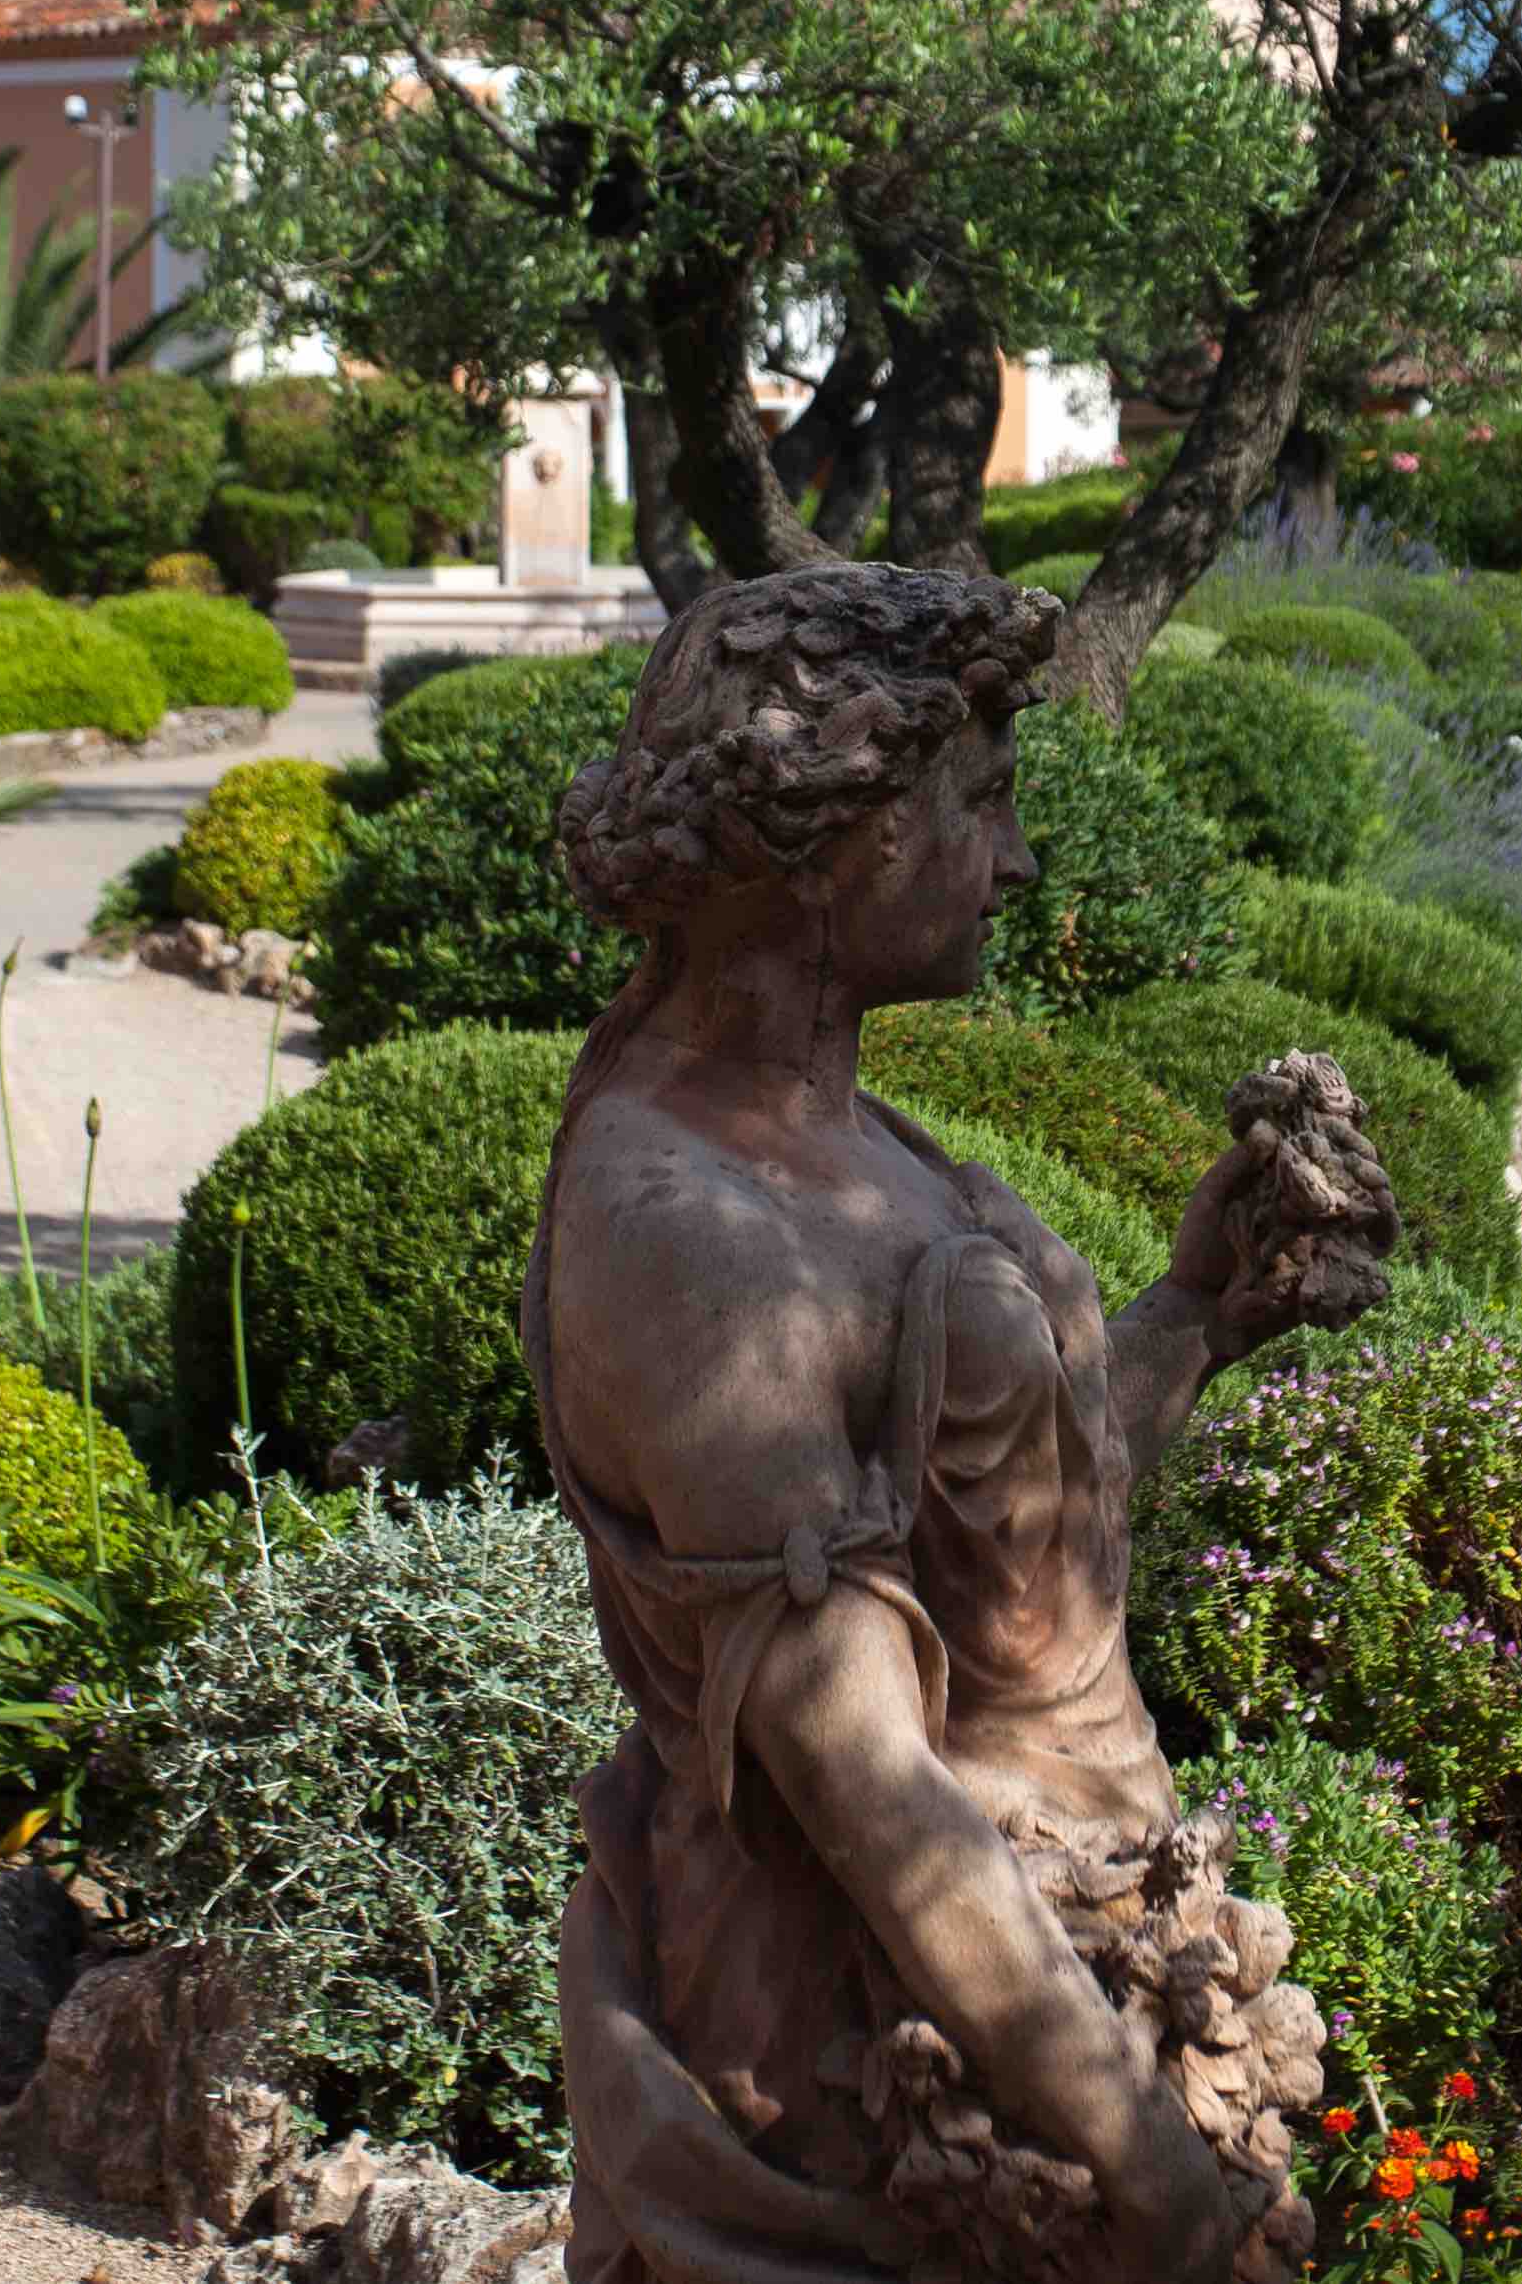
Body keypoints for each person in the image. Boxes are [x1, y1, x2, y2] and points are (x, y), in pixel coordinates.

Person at [529, 567, 1383, 2284]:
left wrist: (1194, 1313)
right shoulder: (682, 1227)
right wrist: (1141, 2159)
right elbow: (867, 1785)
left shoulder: (862, 1139)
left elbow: (1007, 1562)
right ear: (829, 824)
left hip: (1074, 1958)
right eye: (980, 798)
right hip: (883, 2056)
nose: (1017, 855)